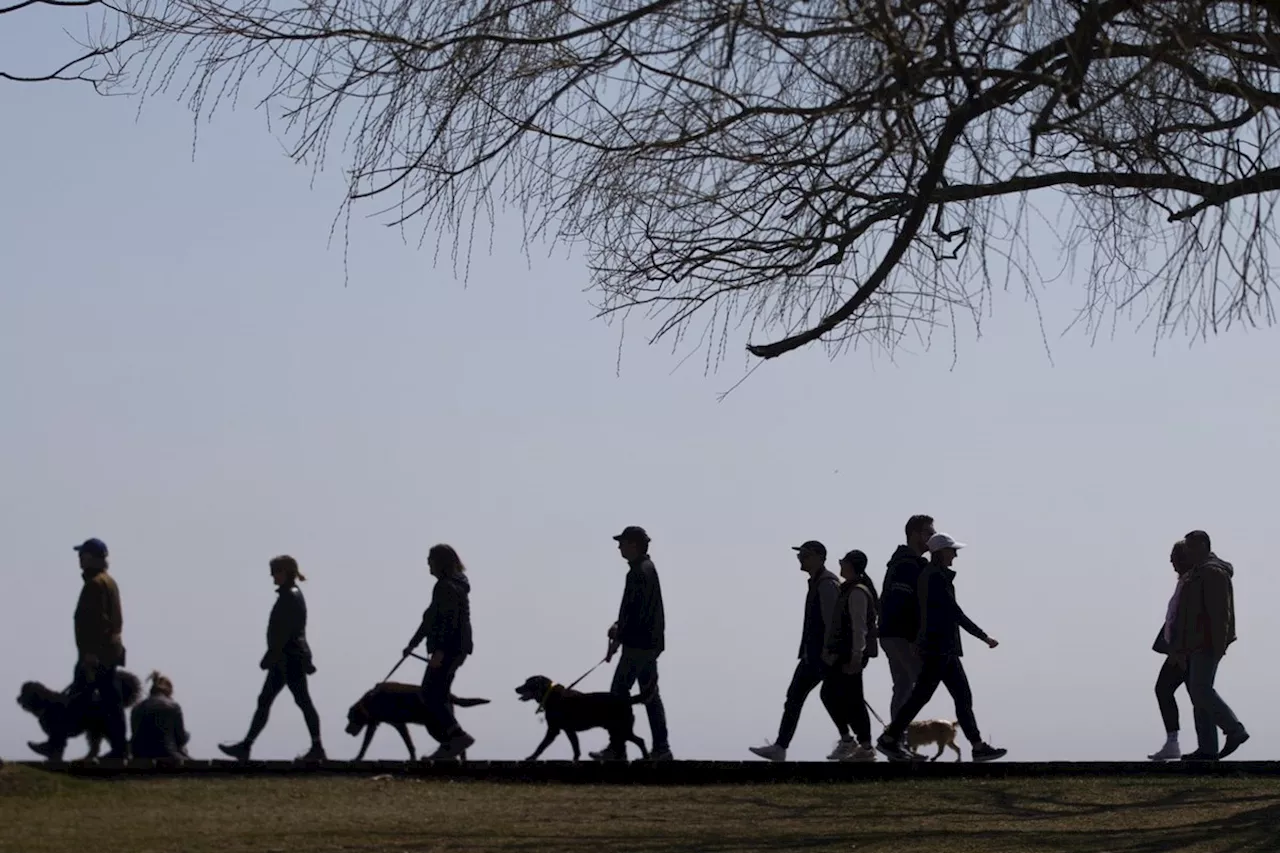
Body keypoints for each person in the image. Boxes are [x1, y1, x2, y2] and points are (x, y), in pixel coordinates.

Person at [875, 533, 1007, 762]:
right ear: (940, 552)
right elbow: (955, 612)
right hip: (938, 648)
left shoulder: (934, 575)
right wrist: (983, 636)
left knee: (959, 697)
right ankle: (889, 738)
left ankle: (977, 746)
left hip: (944, 648)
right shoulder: (935, 577)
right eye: (952, 550)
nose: (955, 554)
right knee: (924, 696)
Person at [219, 555, 326, 762]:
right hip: (284, 658)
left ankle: (317, 747)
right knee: (267, 700)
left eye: (275, 572)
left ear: (285, 572)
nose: (272, 577)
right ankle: (246, 746)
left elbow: (285, 632)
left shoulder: (290, 596)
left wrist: (270, 656)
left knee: (302, 701)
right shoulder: (289, 595)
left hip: (290, 658)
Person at [33, 538, 130, 761]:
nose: (80, 558)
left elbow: (96, 622)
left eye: (83, 554)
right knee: (109, 703)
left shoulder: (94, 584)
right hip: (108, 654)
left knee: (77, 700)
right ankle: (119, 748)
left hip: (94, 657)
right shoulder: (109, 582)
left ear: (94, 557)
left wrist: (90, 655)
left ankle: (55, 745)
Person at [749, 540, 844, 761]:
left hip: (821, 655)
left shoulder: (826, 584)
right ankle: (781, 746)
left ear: (819, 557)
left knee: (830, 698)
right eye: (800, 554)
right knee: (799, 697)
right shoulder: (818, 582)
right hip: (812, 654)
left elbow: (832, 622)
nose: (801, 558)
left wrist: (830, 653)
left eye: (806, 554)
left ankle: (850, 739)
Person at [591, 526, 672, 761]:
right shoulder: (645, 569)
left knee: (618, 695)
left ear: (634, 545)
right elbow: (633, 611)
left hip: (638, 645)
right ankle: (661, 748)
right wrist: (619, 633)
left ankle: (617, 749)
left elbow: (636, 614)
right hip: (646, 644)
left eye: (622, 542)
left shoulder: (639, 572)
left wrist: (619, 634)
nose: (619, 547)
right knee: (650, 696)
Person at [1173, 530, 1248, 761]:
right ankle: (1207, 749)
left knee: (1200, 689)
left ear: (1204, 545)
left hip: (1206, 642)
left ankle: (1234, 729)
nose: (1188, 553)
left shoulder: (1212, 572)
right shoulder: (1197, 573)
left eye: (1192, 548)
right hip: (1194, 644)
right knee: (1198, 693)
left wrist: (1218, 644)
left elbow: (1219, 613)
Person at [403, 543, 475, 760]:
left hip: (449, 648)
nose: (427, 564)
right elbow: (430, 618)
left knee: (430, 694)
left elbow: (447, 622)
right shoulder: (455, 584)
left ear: (439, 562)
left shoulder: (445, 587)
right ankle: (449, 744)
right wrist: (413, 644)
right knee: (437, 694)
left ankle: (456, 737)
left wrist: (439, 651)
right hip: (459, 648)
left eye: (430, 560)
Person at [823, 549, 880, 762]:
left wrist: (856, 656)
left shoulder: (856, 591)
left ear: (850, 565)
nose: (840, 565)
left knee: (844, 697)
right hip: (846, 653)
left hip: (850, 654)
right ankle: (858, 743)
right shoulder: (850, 589)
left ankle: (860, 745)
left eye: (842, 562)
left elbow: (859, 627)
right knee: (847, 697)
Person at [879, 515, 934, 722]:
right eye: (929, 533)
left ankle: (898, 741)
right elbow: (900, 603)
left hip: (893, 634)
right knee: (921, 684)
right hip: (901, 636)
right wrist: (914, 638)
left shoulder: (907, 562)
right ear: (915, 534)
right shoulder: (906, 564)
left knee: (903, 687)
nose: (932, 537)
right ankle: (896, 737)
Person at [1148, 539, 1193, 761]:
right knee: (1193, 693)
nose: (1171, 563)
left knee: (1166, 689)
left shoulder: (1192, 583)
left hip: (1183, 650)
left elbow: (1186, 620)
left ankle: (1232, 728)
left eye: (1175, 558)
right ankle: (1174, 742)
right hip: (1178, 649)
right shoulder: (1184, 582)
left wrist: (1179, 650)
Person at [130, 671, 191, 760]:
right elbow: (180, 739)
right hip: (167, 754)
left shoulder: (136, 708)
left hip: (140, 755)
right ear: (169, 691)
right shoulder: (173, 706)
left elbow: (135, 734)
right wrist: (187, 736)